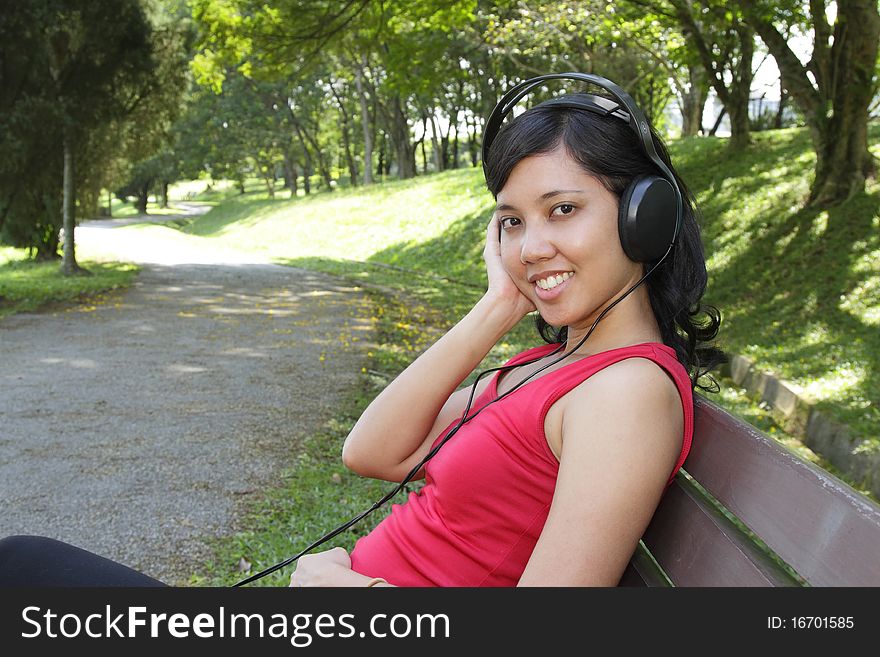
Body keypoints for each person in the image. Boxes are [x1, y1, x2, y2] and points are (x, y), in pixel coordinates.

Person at [0, 74, 723, 587]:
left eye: (562, 209)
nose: (531, 246)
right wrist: (497, 306)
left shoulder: (626, 391)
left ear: (644, 217)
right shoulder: (552, 365)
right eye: (512, 220)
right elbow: (373, 450)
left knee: (21, 570)